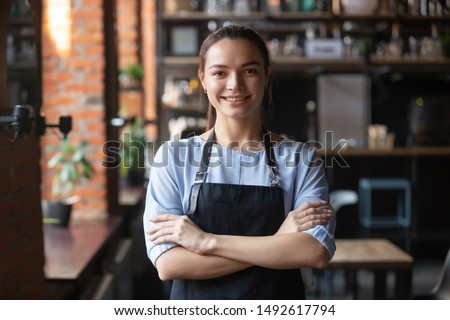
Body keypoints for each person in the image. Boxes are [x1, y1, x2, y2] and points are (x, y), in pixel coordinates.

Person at [144, 24, 336, 300]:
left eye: (249, 71)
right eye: (220, 72)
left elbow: (314, 252)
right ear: (204, 78)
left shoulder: (301, 159)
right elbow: (169, 263)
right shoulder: (173, 158)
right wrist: (277, 244)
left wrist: (205, 242)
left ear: (266, 76)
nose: (235, 84)